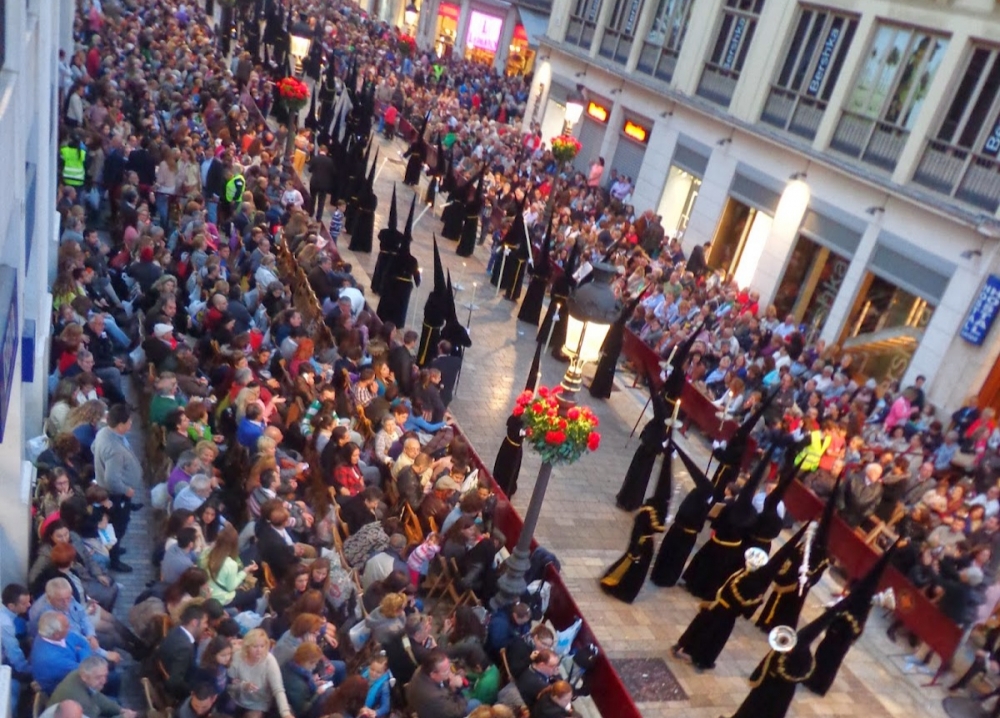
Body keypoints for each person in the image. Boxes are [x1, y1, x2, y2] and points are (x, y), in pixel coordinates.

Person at [91, 403, 142, 572]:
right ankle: (114, 559)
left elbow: (93, 449)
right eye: (129, 422)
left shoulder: (103, 433)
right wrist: (126, 490)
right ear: (120, 425)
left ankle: (115, 547)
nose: (131, 425)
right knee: (118, 525)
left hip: (112, 490)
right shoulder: (114, 449)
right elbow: (112, 479)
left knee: (117, 524)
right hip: (116, 495)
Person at [227, 628, 294, 718]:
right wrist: (243, 686)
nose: (259, 650)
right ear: (247, 647)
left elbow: (278, 690)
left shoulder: (269, 661)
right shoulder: (237, 657)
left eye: (262, 646)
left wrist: (285, 713)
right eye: (255, 646)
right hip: (236, 700)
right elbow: (229, 685)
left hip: (258, 704)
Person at [49, 655, 136, 718]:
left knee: (116, 703)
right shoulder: (81, 700)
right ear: (84, 677)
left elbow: (96, 696)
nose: (104, 681)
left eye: (105, 675)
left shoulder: (79, 673)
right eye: (98, 677)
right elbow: (95, 711)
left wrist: (120, 710)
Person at [158, 603, 209, 701]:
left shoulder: (177, 630)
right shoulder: (184, 649)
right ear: (194, 622)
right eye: (205, 622)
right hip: (185, 685)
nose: (206, 626)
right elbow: (175, 681)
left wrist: (197, 643)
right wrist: (192, 692)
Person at [405, 649, 476, 718]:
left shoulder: (422, 669)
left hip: (430, 705)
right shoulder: (435, 697)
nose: (450, 673)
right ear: (433, 674)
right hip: (434, 712)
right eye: (445, 671)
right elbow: (457, 712)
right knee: (475, 703)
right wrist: (459, 689)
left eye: (449, 667)